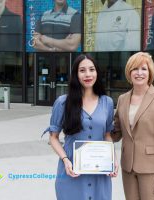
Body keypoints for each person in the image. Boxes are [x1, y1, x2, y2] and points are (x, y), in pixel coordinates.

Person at [43, 54, 118, 200]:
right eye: (82, 70)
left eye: (91, 69)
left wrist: (113, 159)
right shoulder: (63, 102)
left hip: (99, 172)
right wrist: (65, 159)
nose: (88, 74)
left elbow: (107, 135)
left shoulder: (107, 102)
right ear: (76, 74)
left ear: (97, 72)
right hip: (71, 171)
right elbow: (53, 138)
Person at [112, 52, 154, 200]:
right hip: (128, 167)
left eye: (143, 69)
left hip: (151, 169)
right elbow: (116, 132)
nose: (139, 73)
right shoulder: (122, 99)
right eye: (135, 69)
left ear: (150, 72)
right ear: (129, 72)